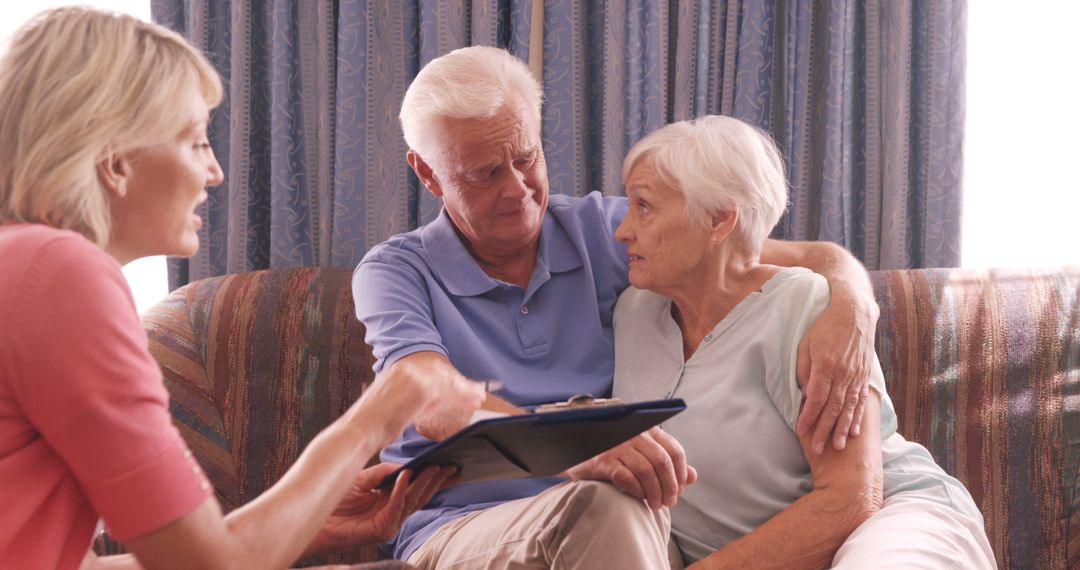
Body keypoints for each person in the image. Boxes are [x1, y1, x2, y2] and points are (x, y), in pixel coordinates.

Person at [353, 46, 881, 568]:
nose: (518, 189)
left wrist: (854, 307)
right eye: (486, 173)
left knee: (618, 503)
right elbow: (433, 401)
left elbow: (796, 254)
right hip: (459, 527)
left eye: (526, 158)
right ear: (428, 173)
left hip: (609, 513)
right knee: (609, 502)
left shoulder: (606, 234)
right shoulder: (395, 272)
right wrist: (576, 447)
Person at [0, 8, 484, 570]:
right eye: (195, 141)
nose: (214, 173)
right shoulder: (63, 274)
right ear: (114, 159)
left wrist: (297, 529)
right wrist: (376, 416)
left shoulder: (22, 267)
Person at [611, 115, 996, 568]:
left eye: (644, 207)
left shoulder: (805, 307)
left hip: (890, 520)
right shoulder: (633, 311)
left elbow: (851, 500)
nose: (622, 230)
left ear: (718, 220)